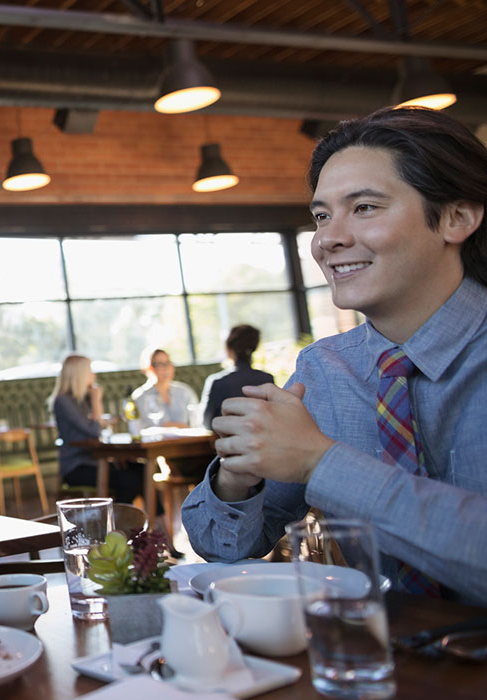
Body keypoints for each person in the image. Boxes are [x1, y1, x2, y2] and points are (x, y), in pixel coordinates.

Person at [182, 106, 487, 604]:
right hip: (382, 665)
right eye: (322, 215)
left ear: (457, 217)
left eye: (364, 207)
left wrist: (321, 462)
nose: (327, 239)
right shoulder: (325, 370)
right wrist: (239, 477)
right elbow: (224, 546)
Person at [50, 355, 143, 507]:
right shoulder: (63, 401)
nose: (94, 375)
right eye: (90, 370)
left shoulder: (83, 398)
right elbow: (93, 431)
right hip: (77, 467)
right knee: (129, 480)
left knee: (142, 470)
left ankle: (158, 521)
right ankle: (116, 523)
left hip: (96, 461)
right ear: (79, 374)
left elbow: (97, 427)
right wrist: (96, 401)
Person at [199, 325, 274, 428]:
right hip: (265, 440)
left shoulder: (218, 381)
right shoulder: (267, 379)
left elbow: (207, 422)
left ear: (228, 349)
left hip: (229, 441)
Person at [130, 349, 198, 428]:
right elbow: (150, 427)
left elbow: (197, 421)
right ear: (149, 368)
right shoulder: (140, 396)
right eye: (160, 364)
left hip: (191, 439)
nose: (166, 368)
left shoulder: (185, 391)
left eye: (168, 363)